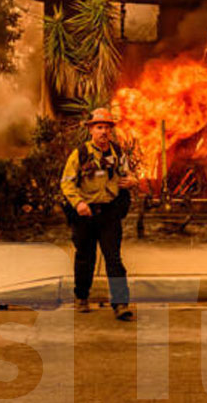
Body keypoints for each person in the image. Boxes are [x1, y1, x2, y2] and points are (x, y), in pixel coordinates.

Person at [61, 108, 137, 321]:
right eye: (99, 127)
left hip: (109, 214)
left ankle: (121, 304)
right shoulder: (80, 154)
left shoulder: (117, 154)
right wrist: (78, 204)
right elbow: (66, 183)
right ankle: (82, 297)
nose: (104, 131)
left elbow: (128, 174)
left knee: (113, 259)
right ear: (91, 130)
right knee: (85, 258)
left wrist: (132, 181)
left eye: (107, 127)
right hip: (85, 214)